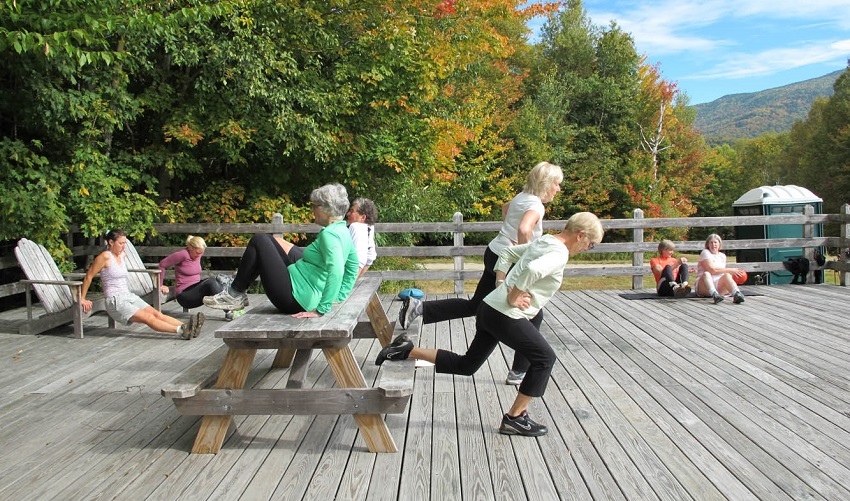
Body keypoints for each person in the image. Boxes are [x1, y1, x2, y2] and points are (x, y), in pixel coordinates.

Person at [377, 212, 604, 437]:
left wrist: (501, 283)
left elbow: (506, 253)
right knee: (545, 358)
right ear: (581, 235)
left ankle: (405, 350)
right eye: (590, 245)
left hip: (489, 309)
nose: (587, 249)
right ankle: (515, 418)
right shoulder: (559, 253)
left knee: (467, 366)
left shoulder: (546, 241)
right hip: (504, 315)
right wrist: (513, 294)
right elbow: (533, 271)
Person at [398, 161, 563, 386]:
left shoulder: (521, 197)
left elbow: (506, 210)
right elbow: (525, 228)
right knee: (534, 314)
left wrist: (509, 233)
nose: (558, 189)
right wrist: (525, 254)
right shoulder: (536, 205)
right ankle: (518, 372)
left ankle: (420, 308)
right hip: (509, 260)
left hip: (494, 251)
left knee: (477, 306)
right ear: (547, 183)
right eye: (557, 184)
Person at [203, 183, 360, 317]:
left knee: (260, 239)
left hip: (295, 299)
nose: (312, 210)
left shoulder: (329, 235)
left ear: (327, 208)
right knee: (268, 241)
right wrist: (340, 296)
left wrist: (322, 309)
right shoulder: (343, 231)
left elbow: (337, 270)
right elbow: (353, 266)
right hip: (303, 289)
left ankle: (235, 294)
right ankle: (236, 293)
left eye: (315, 206)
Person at [80, 229, 203, 340]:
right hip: (115, 301)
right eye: (120, 243)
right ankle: (182, 331)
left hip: (128, 296)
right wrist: (82, 298)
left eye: (125, 243)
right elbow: (89, 276)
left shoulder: (122, 255)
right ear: (111, 242)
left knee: (156, 314)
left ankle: (187, 326)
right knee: (148, 318)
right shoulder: (104, 257)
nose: (123, 247)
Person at [158, 235, 235, 318]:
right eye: (197, 253)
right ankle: (230, 310)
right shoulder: (182, 254)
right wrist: (160, 285)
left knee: (219, 280)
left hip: (196, 291)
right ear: (190, 247)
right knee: (211, 282)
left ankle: (232, 307)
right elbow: (162, 264)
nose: (199, 255)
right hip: (185, 296)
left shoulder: (197, 254)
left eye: (201, 253)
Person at [695, 233, 746, 304]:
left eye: (715, 242)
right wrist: (731, 270)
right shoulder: (705, 252)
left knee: (727, 275)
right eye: (711, 243)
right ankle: (714, 294)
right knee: (707, 273)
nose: (713, 245)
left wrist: (731, 273)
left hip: (719, 284)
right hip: (705, 285)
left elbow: (722, 272)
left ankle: (736, 293)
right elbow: (712, 270)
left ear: (719, 244)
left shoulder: (722, 256)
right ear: (708, 244)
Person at [346, 198, 378, 278]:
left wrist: (346, 285)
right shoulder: (369, 227)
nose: (348, 214)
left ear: (363, 217)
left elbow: (358, 261)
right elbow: (370, 257)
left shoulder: (356, 227)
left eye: (352, 211)